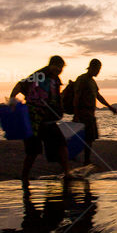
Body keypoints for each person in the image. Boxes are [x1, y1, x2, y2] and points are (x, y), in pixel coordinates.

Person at [10, 55, 70, 187]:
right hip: (34, 119)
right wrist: (12, 99)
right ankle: (24, 176)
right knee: (33, 151)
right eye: (57, 66)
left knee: (61, 144)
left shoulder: (56, 79)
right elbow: (21, 85)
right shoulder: (40, 75)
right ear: (51, 64)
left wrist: (60, 110)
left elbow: (57, 97)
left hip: (49, 120)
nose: (59, 69)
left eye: (61, 68)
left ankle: (67, 173)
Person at [72, 58, 117, 166]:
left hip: (90, 113)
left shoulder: (92, 81)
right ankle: (81, 159)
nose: (98, 71)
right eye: (98, 69)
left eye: (99, 69)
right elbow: (76, 97)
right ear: (92, 68)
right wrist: (76, 114)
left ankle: (85, 159)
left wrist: (109, 107)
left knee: (90, 137)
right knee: (85, 137)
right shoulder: (82, 79)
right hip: (83, 112)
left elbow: (98, 96)